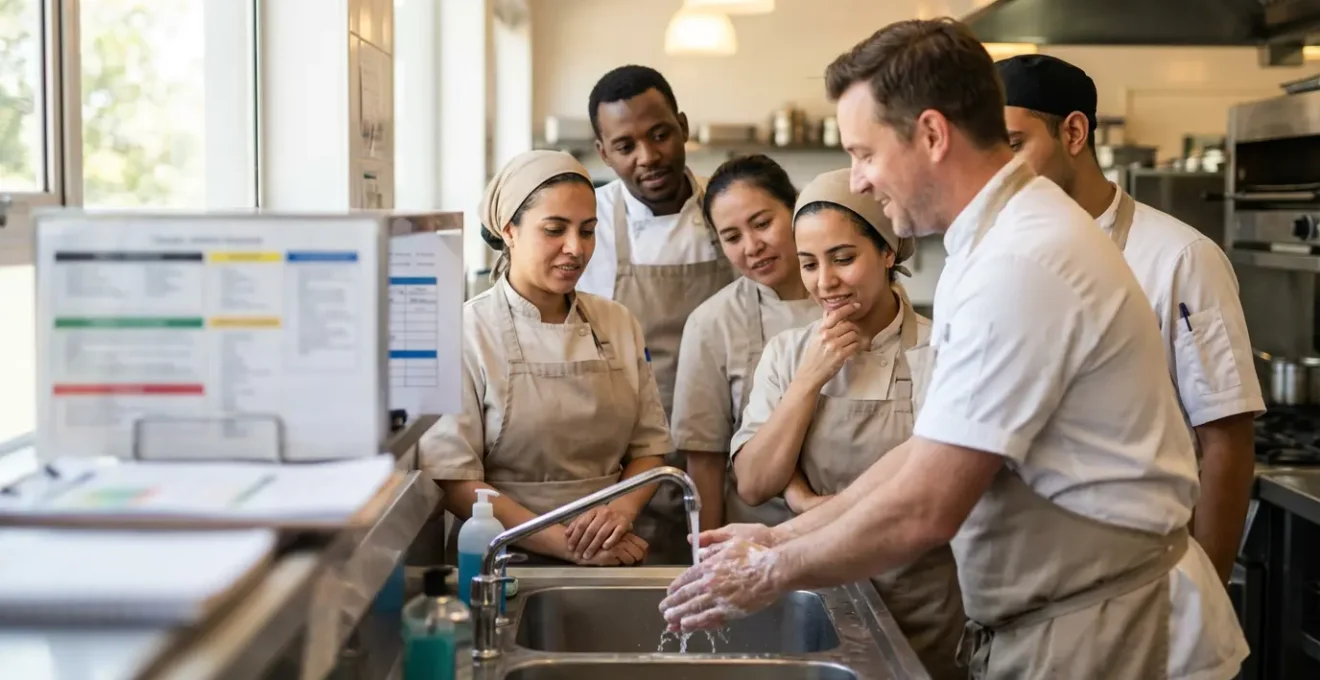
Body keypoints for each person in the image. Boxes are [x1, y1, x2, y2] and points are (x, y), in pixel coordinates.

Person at [659, 19, 1247, 680]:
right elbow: (926, 451)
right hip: (1064, 621)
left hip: (1109, 632)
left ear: (932, 134)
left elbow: (926, 506)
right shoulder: (989, 245)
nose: (857, 182)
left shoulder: (1023, 259)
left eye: (865, 153)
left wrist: (771, 570)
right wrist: (779, 534)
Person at [996, 53, 1263, 584]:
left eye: (1013, 145)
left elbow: (1227, 441)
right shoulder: (998, 256)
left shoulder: (1181, 257)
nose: (998, 174)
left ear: (1074, 132)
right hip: (1029, 575)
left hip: (1147, 576)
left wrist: (1203, 591)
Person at [728, 168, 964, 679]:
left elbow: (931, 481)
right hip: (815, 596)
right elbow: (753, 482)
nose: (824, 282)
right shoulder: (790, 353)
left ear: (887, 251)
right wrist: (808, 381)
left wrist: (810, 506)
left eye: (843, 258)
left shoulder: (940, 349)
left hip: (921, 601)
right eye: (809, 264)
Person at [420, 150, 672, 566]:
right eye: (555, 229)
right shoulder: (464, 331)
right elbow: (454, 480)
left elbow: (649, 447)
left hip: (612, 553)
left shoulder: (617, 322)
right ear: (510, 231)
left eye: (587, 231)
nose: (575, 248)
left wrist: (619, 513)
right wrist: (566, 544)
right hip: (501, 560)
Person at [578, 64, 735, 563]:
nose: (648, 157)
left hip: (735, 455)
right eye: (625, 146)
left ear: (683, 127)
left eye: (660, 134)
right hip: (630, 468)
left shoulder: (731, 209)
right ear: (603, 153)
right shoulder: (588, 226)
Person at [670, 155, 817, 532]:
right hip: (759, 540)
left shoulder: (851, 298)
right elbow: (705, 464)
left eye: (763, 223)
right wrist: (712, 560)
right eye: (732, 237)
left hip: (861, 527)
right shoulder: (711, 324)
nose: (752, 246)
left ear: (795, 207)